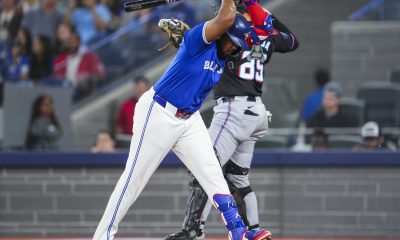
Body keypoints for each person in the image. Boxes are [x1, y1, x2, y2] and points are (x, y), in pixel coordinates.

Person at [93, 0, 272, 239]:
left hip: (189, 119)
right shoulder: (199, 38)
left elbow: (265, 28)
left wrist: (249, 2)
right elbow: (226, 18)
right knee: (134, 180)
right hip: (158, 113)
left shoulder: (226, 46)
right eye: (234, 43)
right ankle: (102, 236)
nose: (237, 49)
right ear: (222, 33)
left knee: (212, 175)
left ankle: (238, 231)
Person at [165, 0, 299, 239]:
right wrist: (256, 7)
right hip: (256, 113)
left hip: (233, 111)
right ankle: (253, 231)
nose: (222, 14)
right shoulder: (264, 37)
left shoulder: (230, 34)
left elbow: (204, 52)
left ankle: (193, 231)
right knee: (238, 178)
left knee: (203, 166)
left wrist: (184, 38)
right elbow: (292, 41)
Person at [53, 32, 106, 101]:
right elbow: (57, 76)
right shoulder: (62, 60)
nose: (71, 45)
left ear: (79, 42)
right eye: (69, 43)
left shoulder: (89, 57)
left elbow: (102, 75)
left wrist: (87, 76)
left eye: (73, 42)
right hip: (66, 89)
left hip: (82, 89)